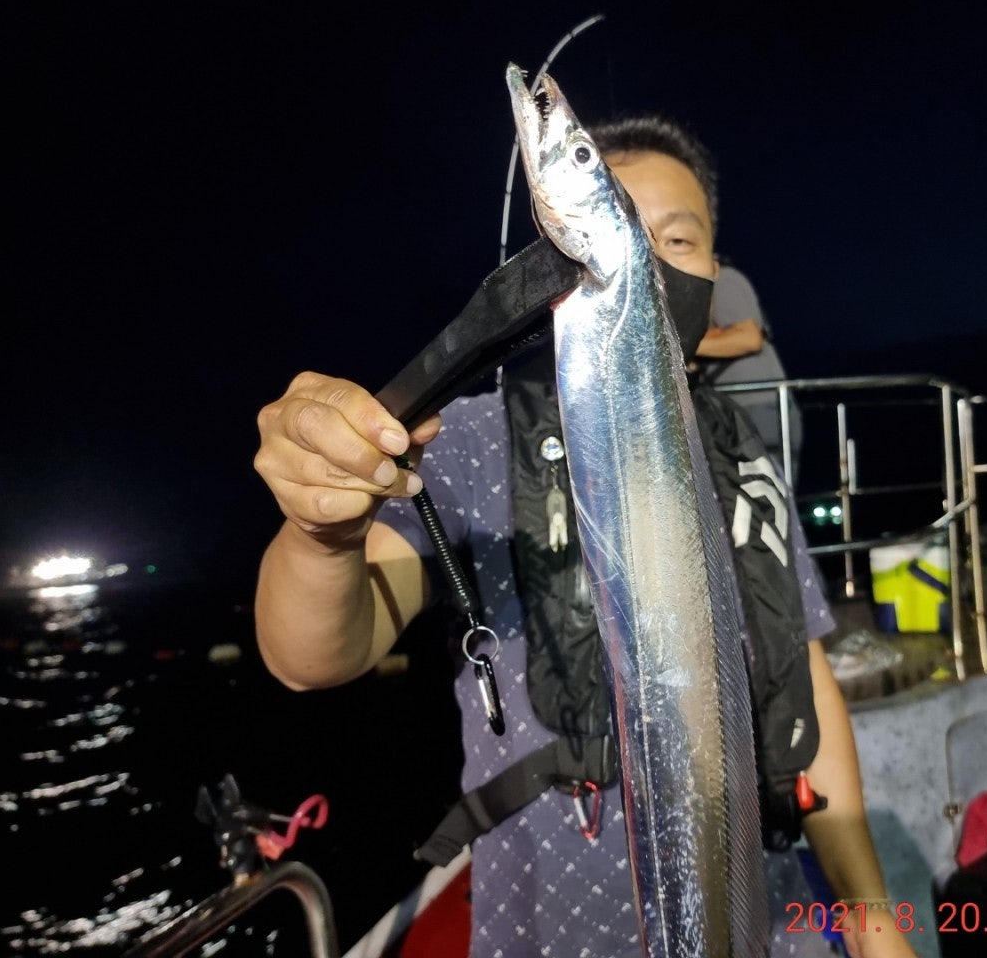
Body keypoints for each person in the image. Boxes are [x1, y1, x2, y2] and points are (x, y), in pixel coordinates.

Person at [253, 114, 917, 958]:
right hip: (550, 925)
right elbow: (311, 656)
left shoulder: (740, 448)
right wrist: (321, 533)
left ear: (715, 272)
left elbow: (806, 676)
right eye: (628, 229)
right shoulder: (469, 441)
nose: (650, 258)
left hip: (761, 907)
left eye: (678, 237)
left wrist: (869, 913)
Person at [697, 259, 805, 475]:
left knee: (771, 488)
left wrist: (679, 344)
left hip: (759, 407)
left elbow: (749, 338)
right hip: (732, 411)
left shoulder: (723, 279)